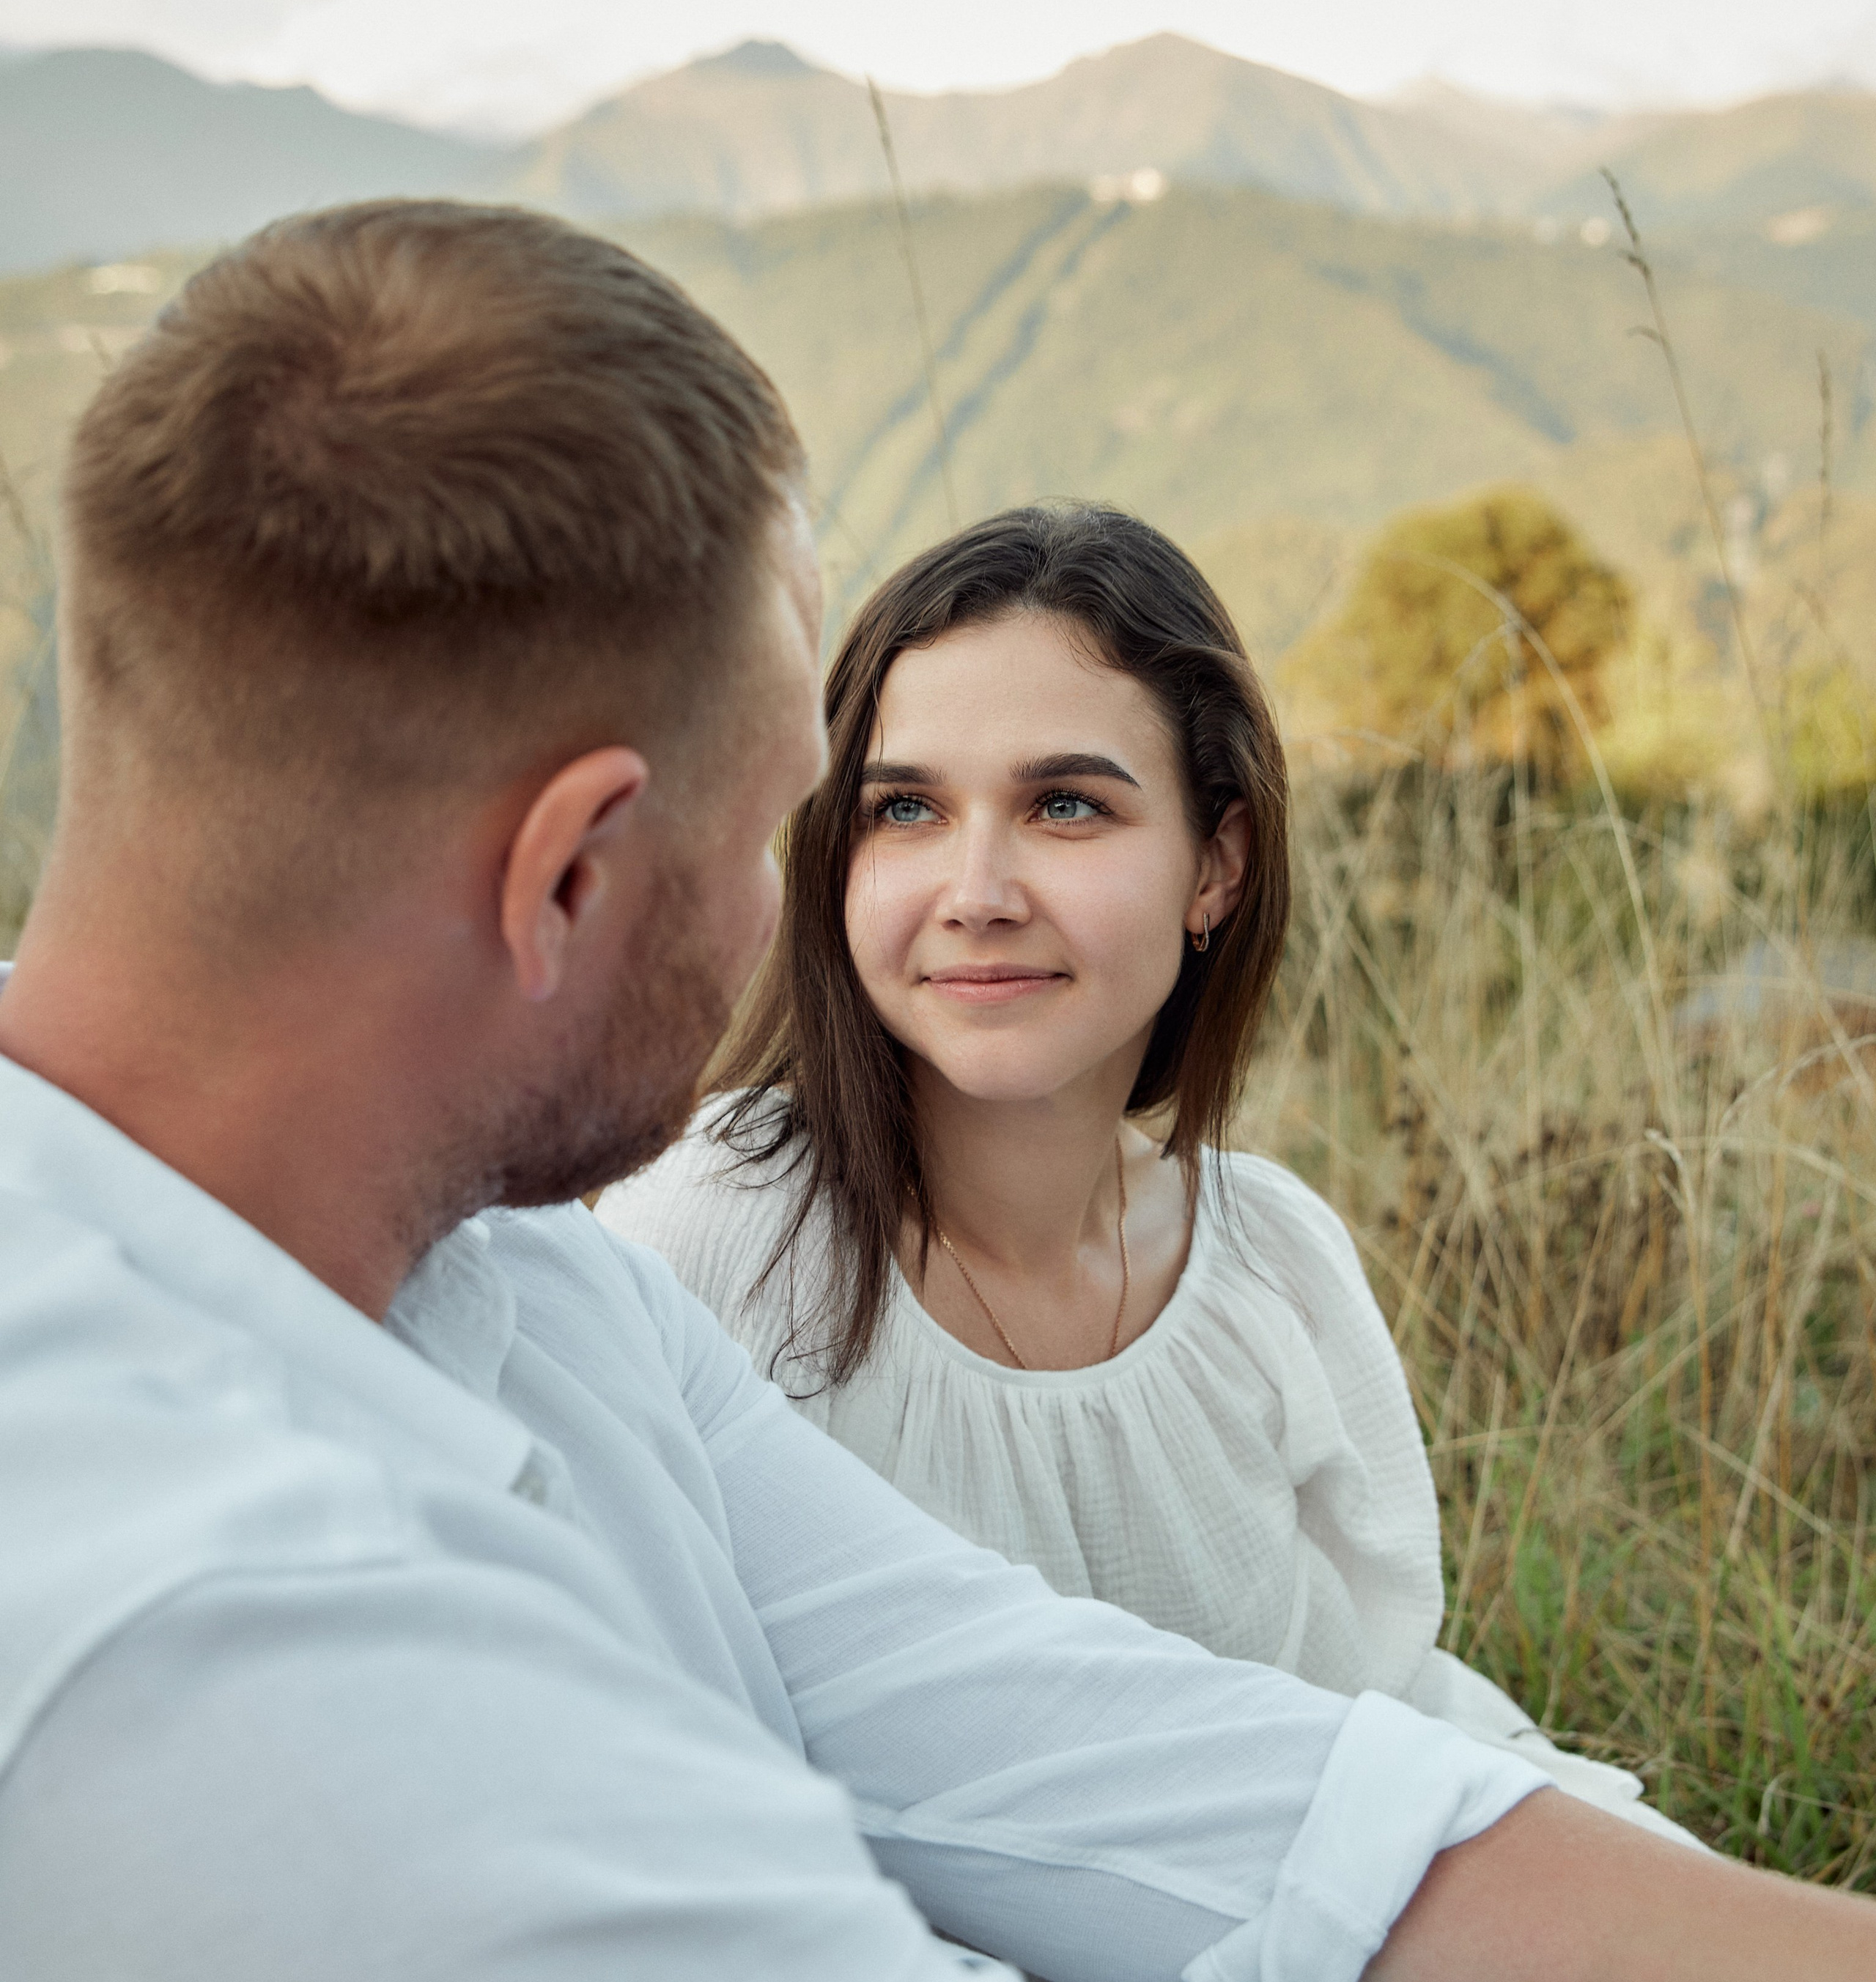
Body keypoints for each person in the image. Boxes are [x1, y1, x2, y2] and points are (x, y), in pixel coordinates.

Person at [1, 201, 1875, 1982]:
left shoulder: (505, 1279)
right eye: (818, 808)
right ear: (571, 874)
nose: (878, 899)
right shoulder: (201, 1642)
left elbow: (1099, 1752)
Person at [598, 502, 1677, 1844]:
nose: (977, 888)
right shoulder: (719, 1235)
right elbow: (641, 1772)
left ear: (1214, 864)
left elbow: (1375, 1709)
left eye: (1064, 805)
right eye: (907, 809)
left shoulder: (1269, 1262)